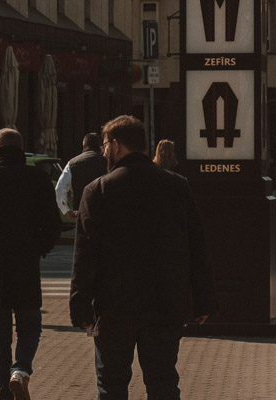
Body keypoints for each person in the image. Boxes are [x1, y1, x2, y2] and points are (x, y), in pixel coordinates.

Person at [70, 115, 215, 400]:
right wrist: (203, 300)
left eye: (104, 145)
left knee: (111, 385)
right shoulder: (176, 186)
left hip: (114, 306)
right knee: (163, 383)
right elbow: (197, 246)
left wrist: (80, 308)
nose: (102, 151)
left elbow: (85, 256)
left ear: (116, 144)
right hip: (165, 303)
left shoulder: (97, 190)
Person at [0, 127, 65, 400]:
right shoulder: (38, 179)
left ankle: (3, 393)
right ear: (21, 150)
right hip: (25, 267)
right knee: (30, 325)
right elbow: (54, 226)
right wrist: (38, 248)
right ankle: (20, 371)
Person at [57, 132, 106, 218]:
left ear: (84, 146)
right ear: (100, 146)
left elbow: (60, 187)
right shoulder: (107, 161)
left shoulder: (72, 163)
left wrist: (66, 210)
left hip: (82, 212)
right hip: (103, 212)